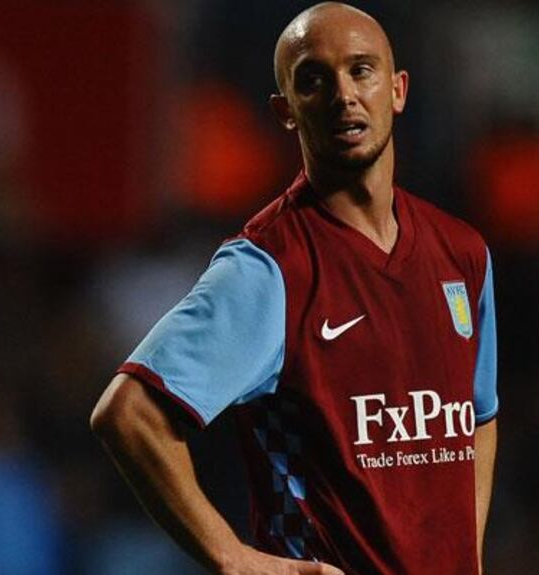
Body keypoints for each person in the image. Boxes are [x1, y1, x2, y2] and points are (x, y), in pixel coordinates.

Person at [90, 3, 498, 574]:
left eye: (361, 70)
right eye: (314, 79)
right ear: (286, 111)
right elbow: (129, 415)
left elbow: (477, 419)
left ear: (398, 90)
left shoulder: (463, 255)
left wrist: (466, 556)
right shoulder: (269, 267)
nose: (343, 94)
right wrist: (236, 560)